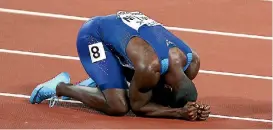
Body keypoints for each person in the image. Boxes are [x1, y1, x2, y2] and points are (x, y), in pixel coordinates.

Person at [29, 11, 210, 121]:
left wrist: (193, 108)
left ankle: (106, 81)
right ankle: (62, 87)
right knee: (118, 105)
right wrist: (178, 112)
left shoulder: (191, 62)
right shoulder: (150, 67)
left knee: (150, 87)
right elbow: (138, 107)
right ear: (170, 86)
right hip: (94, 35)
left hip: (124, 31)